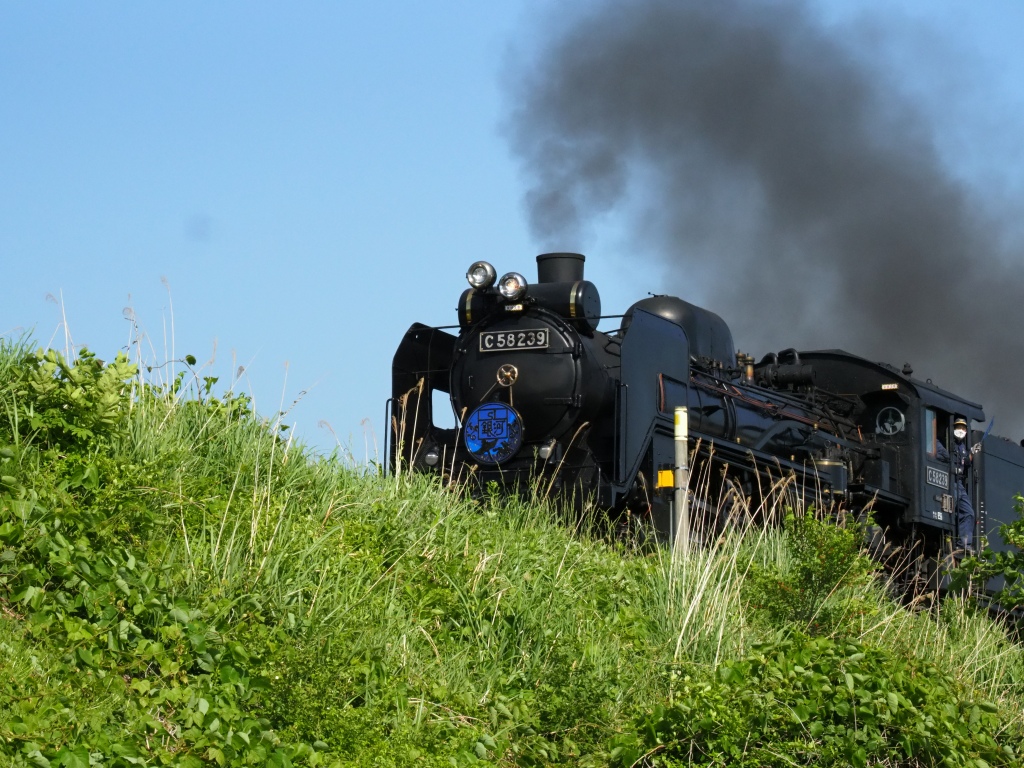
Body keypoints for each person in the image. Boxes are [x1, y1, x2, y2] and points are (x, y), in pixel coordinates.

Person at [936, 416, 980, 552]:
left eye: (963, 428)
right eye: (958, 427)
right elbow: (939, 453)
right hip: (949, 480)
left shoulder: (962, 446)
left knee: (969, 513)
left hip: (959, 483)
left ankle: (964, 544)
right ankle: (946, 540)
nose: (961, 430)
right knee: (950, 509)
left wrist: (972, 453)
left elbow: (965, 462)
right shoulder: (945, 441)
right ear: (953, 428)